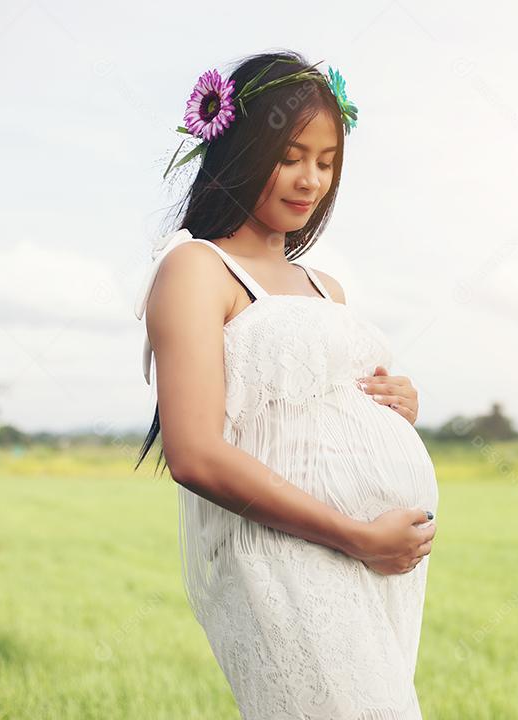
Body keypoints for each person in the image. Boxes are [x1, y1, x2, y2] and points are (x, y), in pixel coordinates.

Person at [133, 50, 440, 719]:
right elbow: (194, 454)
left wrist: (396, 407)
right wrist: (355, 535)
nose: (311, 180)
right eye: (292, 155)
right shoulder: (196, 268)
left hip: (371, 566)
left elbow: (322, 412)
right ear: (241, 147)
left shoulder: (325, 286)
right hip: (292, 556)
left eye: (327, 162)